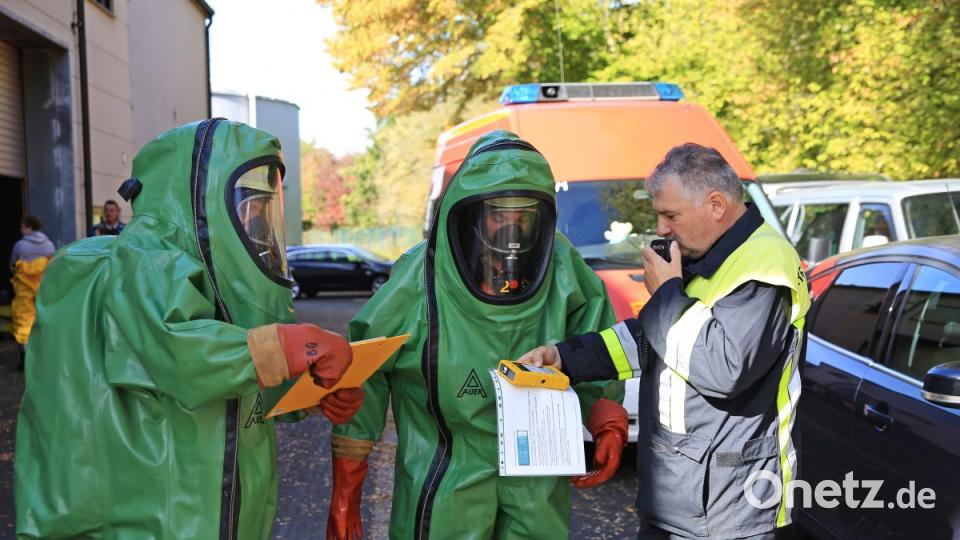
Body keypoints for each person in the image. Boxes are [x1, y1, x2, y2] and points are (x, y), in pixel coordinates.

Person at [15, 119, 364, 539]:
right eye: (245, 209)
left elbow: (227, 377)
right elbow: (182, 353)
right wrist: (296, 347)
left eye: (260, 211)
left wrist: (309, 392)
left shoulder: (196, 277)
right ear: (197, 199)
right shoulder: (139, 262)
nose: (256, 225)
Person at [326, 131, 628, 540]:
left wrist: (606, 413)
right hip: (445, 477)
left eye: (524, 213)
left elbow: (595, 338)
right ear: (467, 213)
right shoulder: (421, 275)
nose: (513, 226)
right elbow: (365, 368)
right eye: (499, 212)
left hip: (536, 473)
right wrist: (347, 481)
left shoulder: (561, 266)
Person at [520, 143, 810, 540]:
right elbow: (649, 339)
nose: (660, 229)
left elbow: (723, 369)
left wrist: (668, 293)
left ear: (716, 204)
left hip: (729, 509)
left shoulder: (764, 265)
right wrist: (565, 359)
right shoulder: (709, 254)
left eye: (669, 215)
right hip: (679, 496)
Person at [9, 215, 55, 367]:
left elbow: (12, 266)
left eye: (22, 227)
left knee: (23, 322)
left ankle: (25, 359)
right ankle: (44, 356)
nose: (21, 230)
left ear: (29, 227)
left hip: (24, 291)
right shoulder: (49, 245)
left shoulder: (20, 246)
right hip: (43, 289)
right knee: (43, 320)